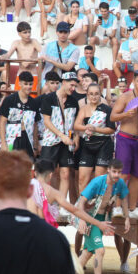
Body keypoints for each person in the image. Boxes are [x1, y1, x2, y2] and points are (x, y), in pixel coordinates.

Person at [76, 159, 130, 274]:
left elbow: (124, 198)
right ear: (108, 170)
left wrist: (127, 218)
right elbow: (81, 202)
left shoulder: (120, 183)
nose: (116, 175)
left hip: (101, 218)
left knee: (87, 253)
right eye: (114, 171)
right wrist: (82, 220)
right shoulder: (97, 182)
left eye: (119, 172)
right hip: (88, 217)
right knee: (99, 251)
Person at [109, 70, 138, 215]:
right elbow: (113, 117)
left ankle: (133, 208)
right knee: (123, 174)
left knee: (136, 175)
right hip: (125, 138)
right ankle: (117, 207)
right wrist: (125, 114)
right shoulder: (125, 97)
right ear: (133, 81)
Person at [39, 71, 81, 202]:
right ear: (64, 82)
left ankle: (62, 203)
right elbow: (47, 121)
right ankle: (43, 201)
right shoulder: (49, 98)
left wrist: (76, 138)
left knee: (65, 173)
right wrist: (61, 135)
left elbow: (76, 123)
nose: (73, 89)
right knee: (46, 173)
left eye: (75, 86)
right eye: (71, 85)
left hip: (67, 142)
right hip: (50, 140)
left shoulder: (74, 101)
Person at [0, 71, 40, 158]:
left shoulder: (34, 102)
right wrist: (3, 143)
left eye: (30, 84)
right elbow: (2, 122)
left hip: (28, 138)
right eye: (26, 84)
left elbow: (35, 125)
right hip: (11, 138)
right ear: (20, 83)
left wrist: (35, 145)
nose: (28, 87)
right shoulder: (10, 100)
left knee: (28, 167)